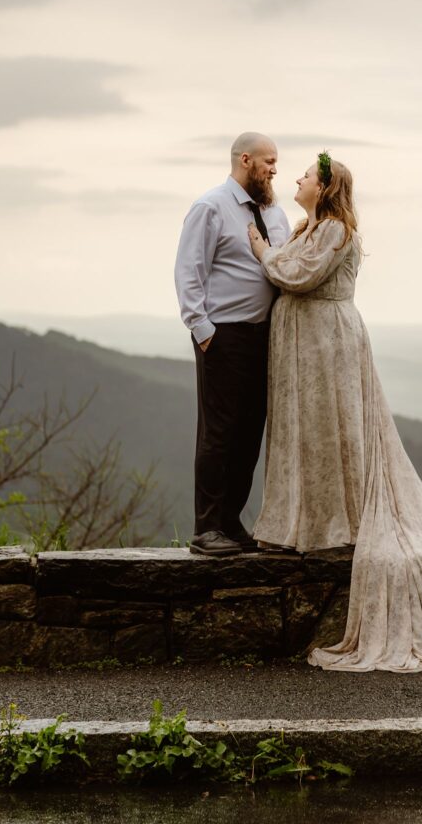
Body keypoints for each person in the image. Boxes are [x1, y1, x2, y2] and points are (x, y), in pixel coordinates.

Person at [248, 152, 422, 672]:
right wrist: (276, 254)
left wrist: (264, 252)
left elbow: (299, 276)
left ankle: (336, 520)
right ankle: (301, 522)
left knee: (333, 433)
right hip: (304, 345)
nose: (298, 179)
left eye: (307, 175)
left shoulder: (333, 230)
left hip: (326, 344)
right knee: (304, 435)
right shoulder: (311, 227)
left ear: (327, 188)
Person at [175, 132, 291, 556]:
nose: (275, 169)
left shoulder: (274, 213)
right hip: (224, 336)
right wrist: (203, 330)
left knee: (249, 433)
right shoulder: (210, 206)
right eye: (269, 161)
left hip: (265, 338)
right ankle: (206, 528)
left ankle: (230, 522)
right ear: (246, 160)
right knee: (218, 432)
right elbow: (189, 270)